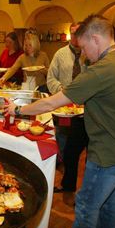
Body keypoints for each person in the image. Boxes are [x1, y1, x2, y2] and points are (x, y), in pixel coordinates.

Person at [4, 14, 115, 228]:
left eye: (84, 47)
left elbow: (51, 103)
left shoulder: (100, 70)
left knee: (86, 206)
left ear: (96, 38)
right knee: (110, 205)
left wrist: (18, 110)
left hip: (107, 153)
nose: (83, 54)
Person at [47, 23, 89, 193]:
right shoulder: (60, 54)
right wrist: (64, 92)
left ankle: (84, 189)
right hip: (64, 107)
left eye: (78, 33)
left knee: (82, 153)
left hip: (85, 110)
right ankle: (65, 179)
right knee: (64, 144)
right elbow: (50, 79)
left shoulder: (90, 56)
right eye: (72, 33)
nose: (75, 37)